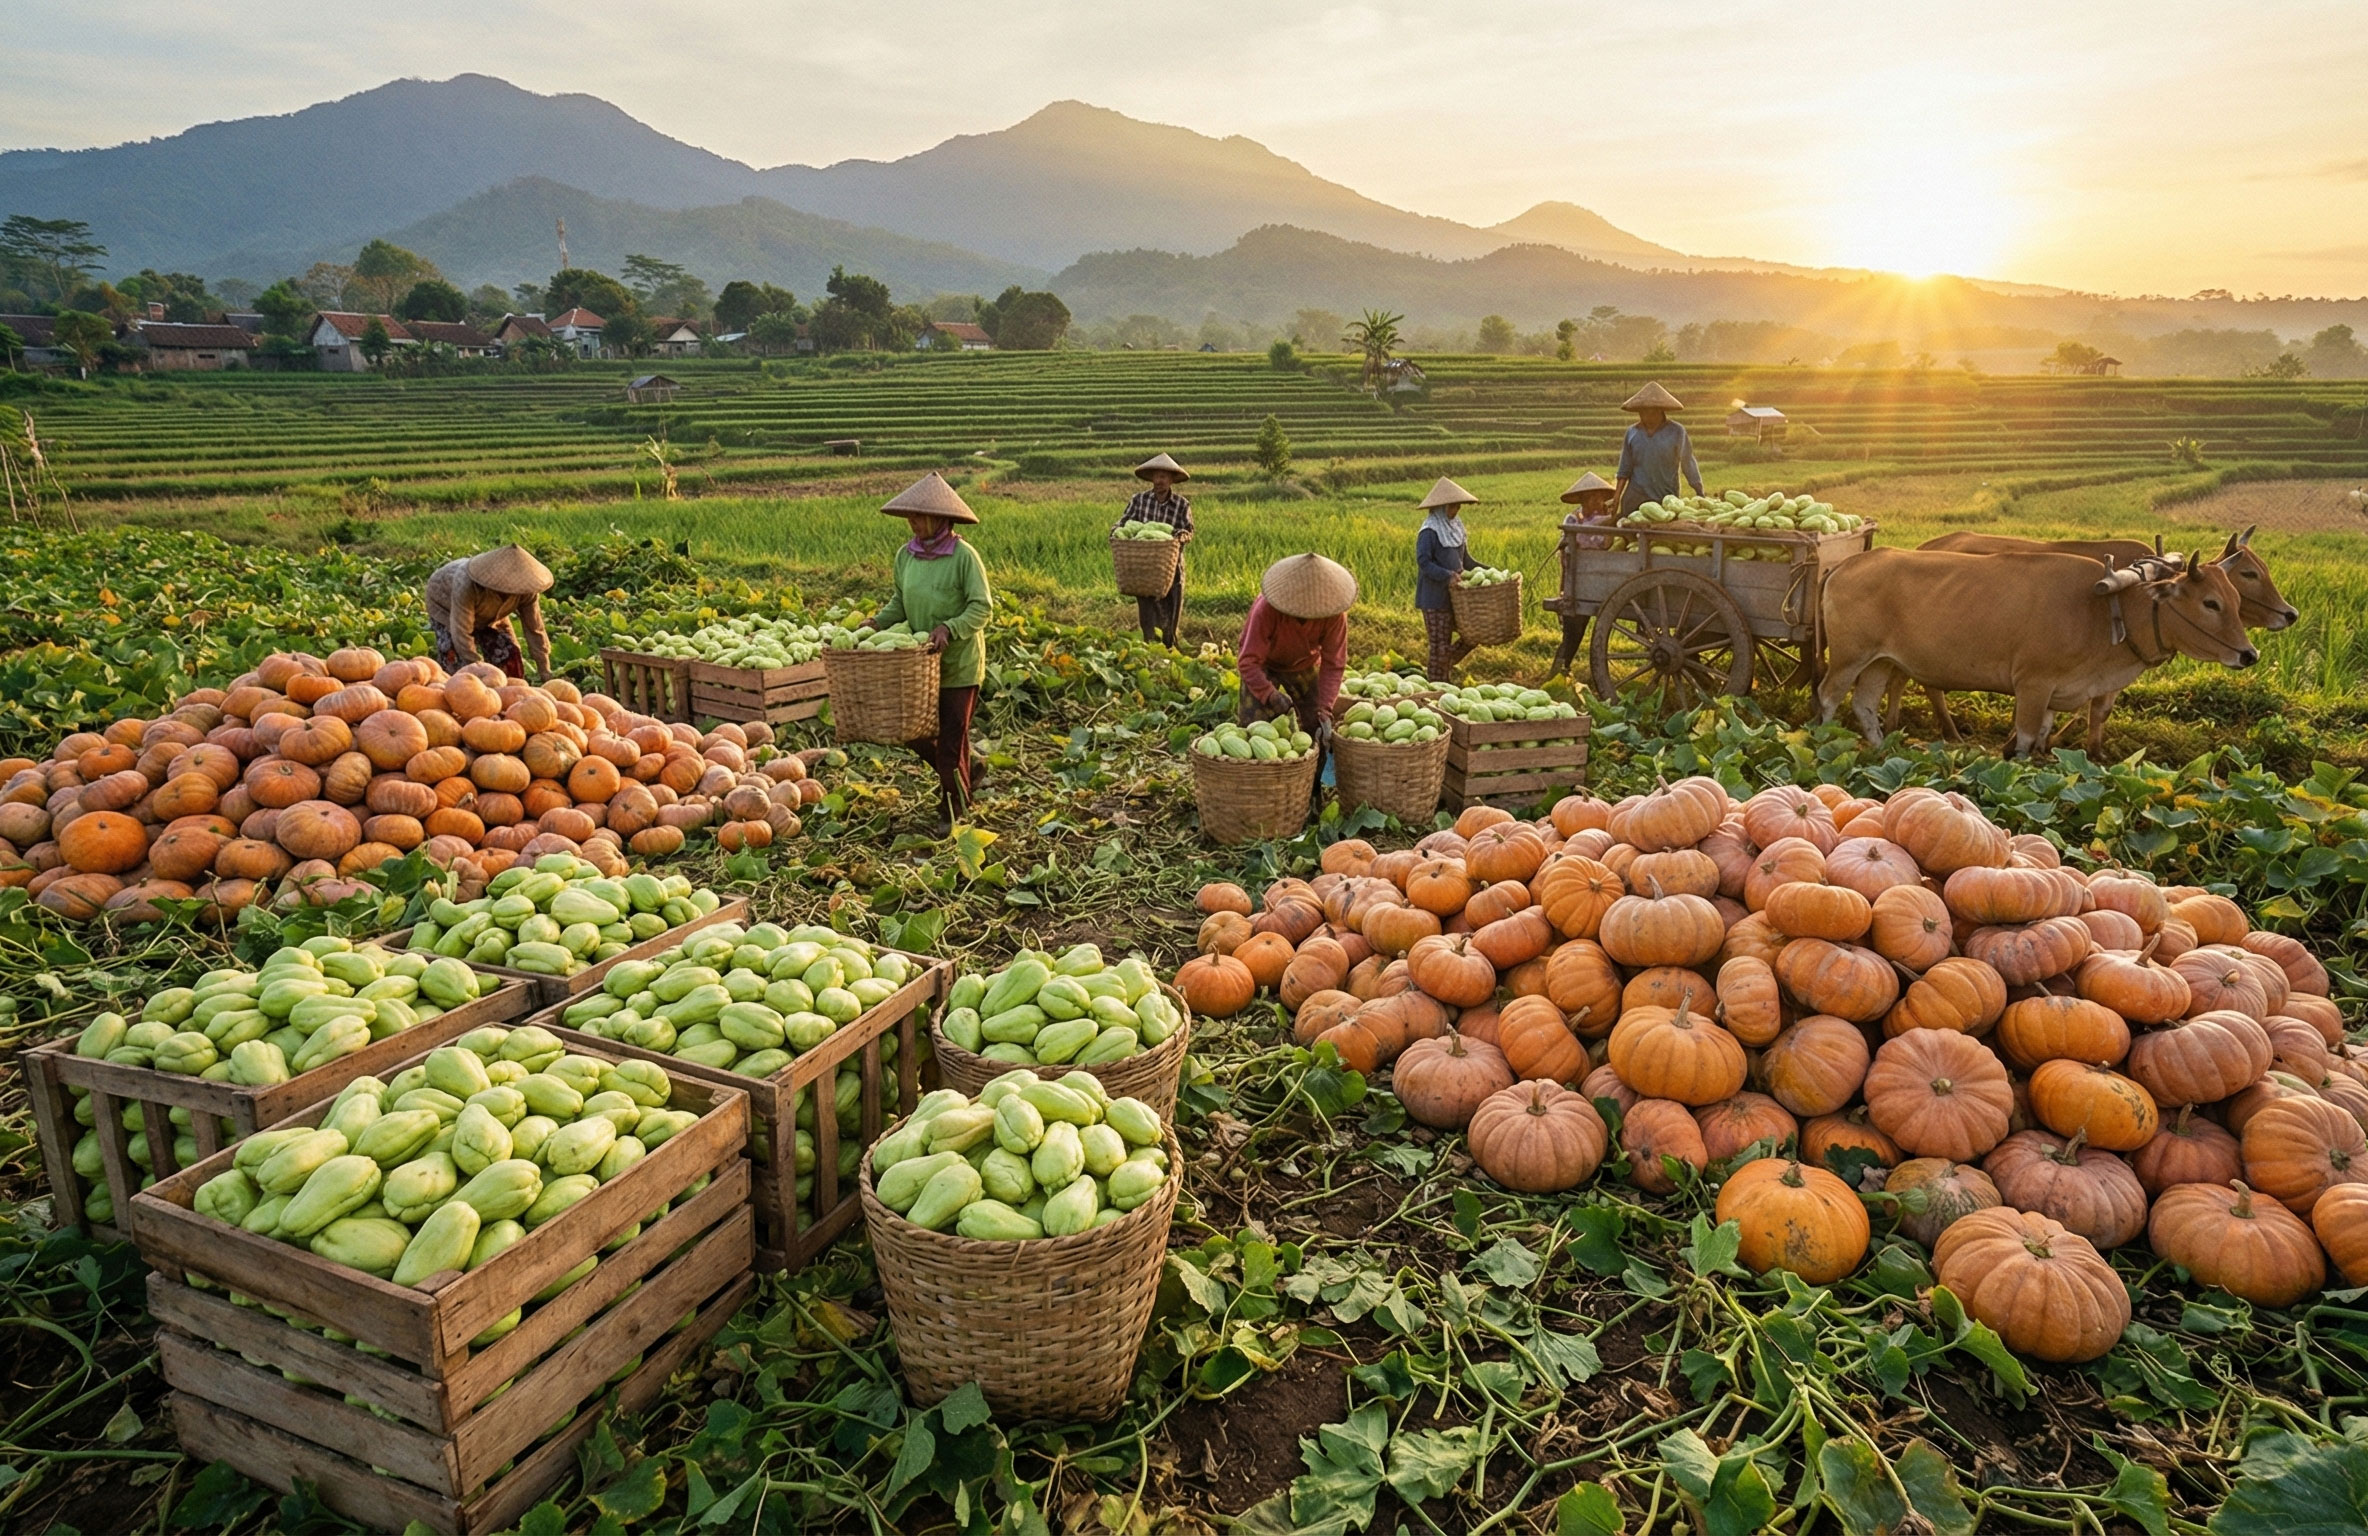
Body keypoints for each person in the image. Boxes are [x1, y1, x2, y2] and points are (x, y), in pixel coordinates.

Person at [869, 473, 995, 836]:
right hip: (919, 667)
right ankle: (969, 769)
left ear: (941, 519)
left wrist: (948, 628)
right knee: (913, 733)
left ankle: (953, 809)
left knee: (952, 737)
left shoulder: (963, 557)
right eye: (910, 516)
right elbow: (900, 603)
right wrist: (876, 624)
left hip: (958, 666)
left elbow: (981, 607)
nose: (913, 523)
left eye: (919, 516)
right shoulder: (905, 556)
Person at [1237, 553, 1354, 740]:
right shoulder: (1267, 610)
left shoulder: (1334, 615)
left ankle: (1312, 766)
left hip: (1304, 663)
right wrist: (1270, 695)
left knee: (1315, 724)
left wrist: (1325, 708)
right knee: (1254, 727)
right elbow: (1248, 661)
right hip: (1262, 664)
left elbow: (1334, 663)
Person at [425, 544, 552, 681]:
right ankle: (451, 687)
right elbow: (461, 630)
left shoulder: (527, 591)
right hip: (445, 604)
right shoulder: (467, 585)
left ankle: (508, 688)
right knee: (455, 661)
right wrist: (476, 668)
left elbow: (535, 629)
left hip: (491, 613)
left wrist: (545, 670)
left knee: (509, 653)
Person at [1118, 452, 1193, 647]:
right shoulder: (1139, 500)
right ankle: (1149, 645)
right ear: (1151, 478)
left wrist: (1179, 537)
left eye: (1164, 476)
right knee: (1147, 608)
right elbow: (1123, 522)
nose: (1159, 481)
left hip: (1171, 565)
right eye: (1156, 476)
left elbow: (1189, 531)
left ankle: (1169, 644)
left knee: (1171, 607)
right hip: (1145, 565)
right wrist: (1117, 532)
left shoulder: (1181, 504)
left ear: (1171, 480)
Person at [1550, 471, 1618, 676]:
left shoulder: (1608, 519)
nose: (1596, 501)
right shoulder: (1572, 519)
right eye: (1591, 497)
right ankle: (1558, 673)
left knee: (1574, 630)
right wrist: (1608, 521)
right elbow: (1586, 541)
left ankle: (1561, 670)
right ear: (1582, 500)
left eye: (1599, 496)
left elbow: (1608, 543)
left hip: (1600, 579)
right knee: (1572, 634)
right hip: (1578, 582)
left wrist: (1609, 521)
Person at [1414, 477, 1478, 682]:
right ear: (1441, 507)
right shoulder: (1430, 530)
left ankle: (1442, 669)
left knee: (1472, 636)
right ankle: (1436, 684)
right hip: (1434, 598)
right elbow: (1423, 562)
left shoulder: (1456, 527)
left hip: (1456, 598)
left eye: (1458, 506)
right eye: (1453, 506)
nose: (1456, 510)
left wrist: (1492, 571)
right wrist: (1447, 575)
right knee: (1439, 645)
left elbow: (1465, 560)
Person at [1613, 382, 1704, 516]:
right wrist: (1617, 497)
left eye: (1650, 412)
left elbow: (1688, 462)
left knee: (1662, 533)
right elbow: (1624, 468)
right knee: (1630, 533)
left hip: (1665, 497)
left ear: (1660, 411)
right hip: (1635, 498)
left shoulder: (1676, 431)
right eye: (1642, 412)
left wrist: (1699, 492)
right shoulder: (1632, 433)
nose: (1646, 416)